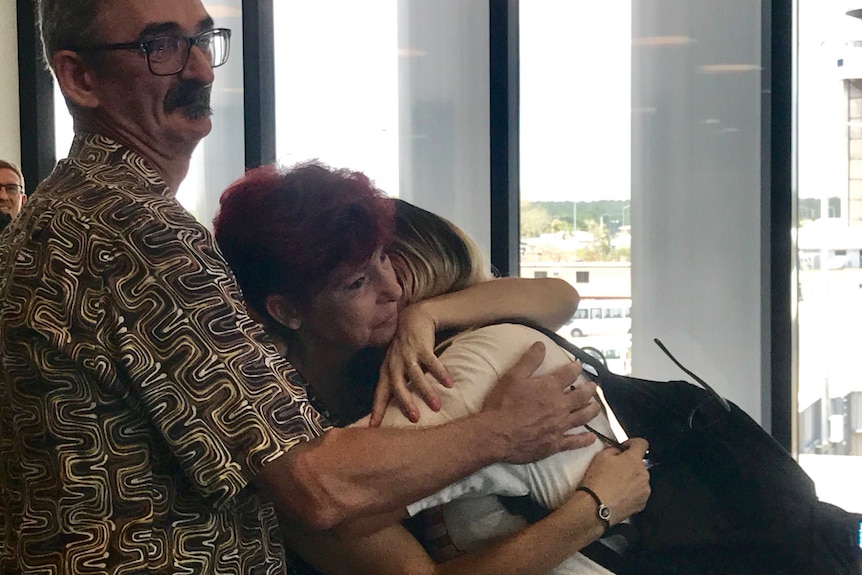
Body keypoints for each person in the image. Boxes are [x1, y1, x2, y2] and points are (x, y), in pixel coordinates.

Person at [0, 1, 603, 573]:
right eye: (160, 44)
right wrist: (505, 433)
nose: (200, 66)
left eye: (202, 38)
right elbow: (319, 486)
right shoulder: (136, 229)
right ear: (80, 78)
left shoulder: (60, 214)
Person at [213, 161, 651, 575]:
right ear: (286, 312)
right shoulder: (275, 423)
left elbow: (559, 297)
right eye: (357, 283)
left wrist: (429, 315)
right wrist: (594, 509)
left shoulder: (392, 353)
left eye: (385, 258)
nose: (394, 289)